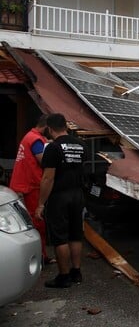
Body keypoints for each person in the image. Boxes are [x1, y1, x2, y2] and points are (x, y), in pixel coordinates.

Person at [35, 113, 87, 288]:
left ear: (49, 128)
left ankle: (63, 277)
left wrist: (41, 203)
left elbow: (48, 178)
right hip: (77, 194)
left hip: (60, 196)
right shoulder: (81, 145)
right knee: (75, 234)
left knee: (60, 238)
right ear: (65, 126)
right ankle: (76, 272)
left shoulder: (53, 148)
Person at [9, 114, 53, 264]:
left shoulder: (30, 136)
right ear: (47, 127)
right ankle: (40, 257)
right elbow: (45, 161)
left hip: (22, 183)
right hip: (31, 185)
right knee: (37, 222)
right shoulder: (36, 140)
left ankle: (38, 255)